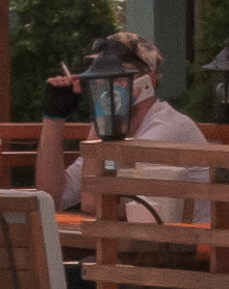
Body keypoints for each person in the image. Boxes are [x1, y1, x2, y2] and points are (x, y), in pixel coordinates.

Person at [35, 32, 207, 220]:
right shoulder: (113, 130)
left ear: (148, 82)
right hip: (158, 242)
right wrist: (53, 118)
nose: (103, 85)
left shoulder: (166, 129)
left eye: (117, 76)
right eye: (99, 76)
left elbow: (95, 203)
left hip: (204, 243)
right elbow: (50, 197)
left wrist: (101, 117)